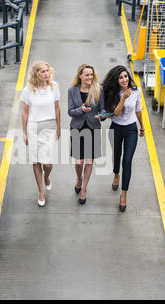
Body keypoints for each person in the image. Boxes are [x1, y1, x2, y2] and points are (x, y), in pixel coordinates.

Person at [101, 65, 145, 212]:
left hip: (131, 129)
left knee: (127, 161)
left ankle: (124, 195)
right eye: (121, 77)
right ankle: (116, 174)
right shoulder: (113, 93)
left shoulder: (136, 91)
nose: (124, 79)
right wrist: (124, 98)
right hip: (116, 128)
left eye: (126, 76)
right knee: (117, 155)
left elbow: (138, 109)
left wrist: (142, 127)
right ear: (116, 80)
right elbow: (116, 113)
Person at [21, 60, 61, 207]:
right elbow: (25, 112)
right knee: (36, 160)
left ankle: (47, 176)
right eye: (42, 71)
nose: (46, 73)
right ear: (36, 73)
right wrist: (24, 132)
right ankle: (41, 191)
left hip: (49, 126)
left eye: (47, 70)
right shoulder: (28, 90)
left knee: (48, 163)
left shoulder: (54, 87)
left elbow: (57, 108)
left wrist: (58, 127)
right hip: (33, 127)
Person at [68, 64, 105, 204]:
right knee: (79, 162)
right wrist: (81, 110)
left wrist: (102, 116)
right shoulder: (72, 90)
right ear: (80, 76)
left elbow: (102, 108)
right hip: (77, 127)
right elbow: (70, 111)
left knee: (89, 161)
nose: (90, 77)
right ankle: (79, 178)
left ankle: (83, 189)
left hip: (93, 127)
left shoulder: (98, 89)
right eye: (87, 74)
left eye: (91, 74)